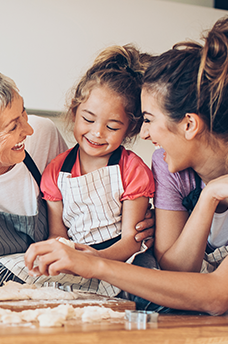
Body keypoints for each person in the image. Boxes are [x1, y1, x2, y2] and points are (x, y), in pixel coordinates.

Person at [24, 17, 228, 315]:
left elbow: (217, 295)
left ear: (188, 124)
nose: (143, 134)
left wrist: (95, 264)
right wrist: (209, 198)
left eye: (148, 119)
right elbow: (177, 270)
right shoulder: (168, 164)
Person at [0, 65, 154, 293]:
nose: (28, 129)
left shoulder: (43, 135)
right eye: (13, 127)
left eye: (23, 113)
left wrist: (135, 226)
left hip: (55, 294)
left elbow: (83, 205)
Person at [26, 45, 154, 297]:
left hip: (122, 261)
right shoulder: (55, 171)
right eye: (88, 119)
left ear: (130, 129)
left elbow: (132, 239)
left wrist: (96, 260)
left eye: (113, 126)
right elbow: (57, 235)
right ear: (74, 111)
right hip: (75, 258)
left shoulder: (132, 169)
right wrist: (65, 257)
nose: (97, 132)